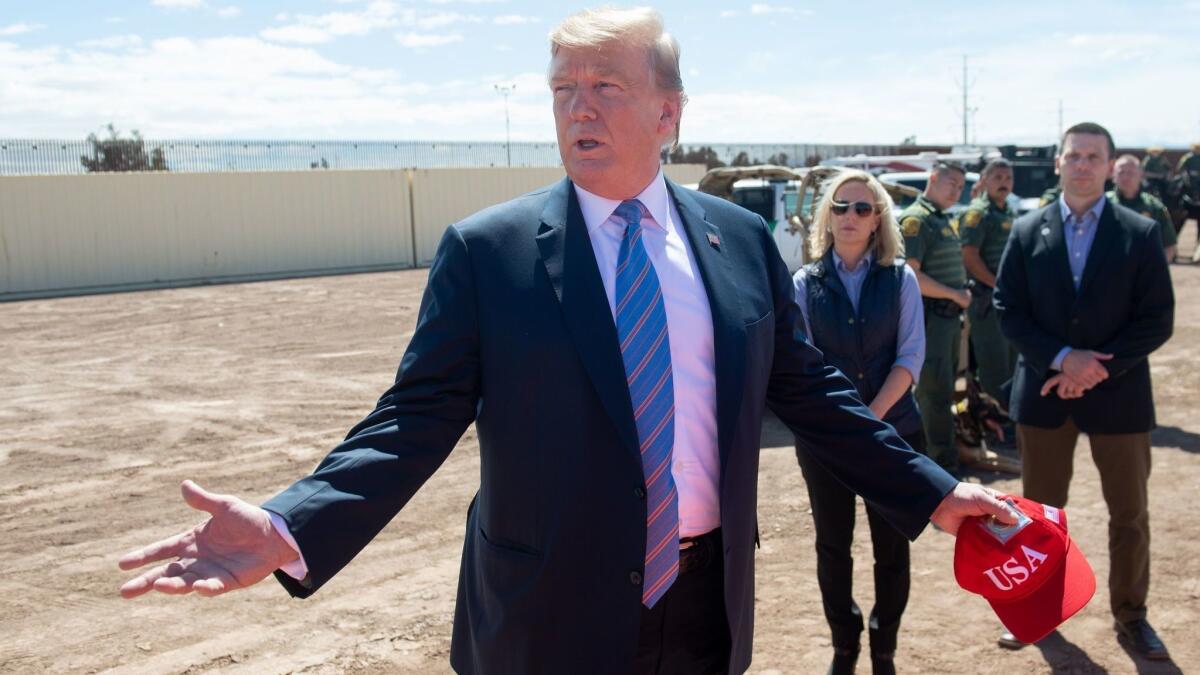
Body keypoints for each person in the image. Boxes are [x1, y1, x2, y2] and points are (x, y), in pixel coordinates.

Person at [118, 8, 1017, 674]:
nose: (577, 110)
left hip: (706, 606)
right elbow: (413, 419)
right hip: (545, 615)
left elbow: (812, 390)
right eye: (563, 92)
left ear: (669, 113)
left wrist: (934, 491)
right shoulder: (490, 252)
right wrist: (289, 521)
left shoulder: (735, 242)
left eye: (606, 89)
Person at [993, 122, 1174, 659]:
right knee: (1039, 517)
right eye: (1074, 155)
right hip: (1045, 396)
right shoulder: (1026, 231)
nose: (1083, 165)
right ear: (1058, 163)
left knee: (1129, 514)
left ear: (1110, 163)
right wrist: (1062, 359)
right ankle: (1038, 611)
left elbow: (1157, 319)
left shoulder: (1139, 233)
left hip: (1118, 397)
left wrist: (1094, 369)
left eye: (1094, 156)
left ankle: (1132, 616)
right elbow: (1008, 307)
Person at [791, 171, 925, 675]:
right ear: (827, 215)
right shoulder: (805, 284)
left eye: (862, 209)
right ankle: (844, 644)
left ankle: (884, 643)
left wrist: (868, 421)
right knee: (833, 545)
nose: (850, 216)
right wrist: (844, 427)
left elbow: (910, 357)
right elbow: (802, 363)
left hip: (893, 435)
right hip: (827, 444)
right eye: (841, 207)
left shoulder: (901, 278)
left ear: (878, 221)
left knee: (893, 547)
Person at [900, 162, 969, 477]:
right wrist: (953, 294)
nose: (956, 191)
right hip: (932, 317)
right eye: (950, 183)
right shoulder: (917, 219)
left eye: (960, 186)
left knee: (943, 389)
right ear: (932, 179)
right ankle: (941, 464)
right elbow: (911, 272)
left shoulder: (942, 218)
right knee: (934, 392)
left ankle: (940, 454)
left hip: (948, 318)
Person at [960, 159, 1018, 415]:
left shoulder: (1007, 211)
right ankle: (995, 421)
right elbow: (970, 257)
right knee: (994, 364)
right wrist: (998, 284)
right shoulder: (978, 213)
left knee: (1012, 360)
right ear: (984, 181)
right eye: (998, 178)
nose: (1004, 183)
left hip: (1009, 299)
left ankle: (1010, 413)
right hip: (987, 299)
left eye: (1008, 178)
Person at [1108, 154, 1178, 262]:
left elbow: (1169, 245)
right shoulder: (1102, 204)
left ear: (1141, 175)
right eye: (1121, 172)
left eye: (1131, 173)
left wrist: (1157, 271)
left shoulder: (1154, 207)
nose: (1126, 177)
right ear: (1113, 175)